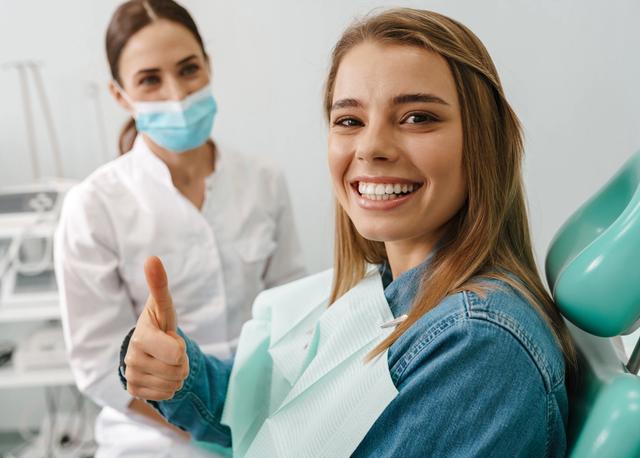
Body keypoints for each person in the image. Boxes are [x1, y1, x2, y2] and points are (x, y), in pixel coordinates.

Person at [120, 8, 576, 457]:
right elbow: (266, 403)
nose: (372, 147)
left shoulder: (477, 346)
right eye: (350, 121)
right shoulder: (381, 289)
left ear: (484, 141)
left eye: (417, 117)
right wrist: (176, 373)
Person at [54, 0, 305, 456]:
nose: (176, 94)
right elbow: (95, 365)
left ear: (208, 66)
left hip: (268, 421)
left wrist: (263, 422)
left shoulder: (263, 181)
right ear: (119, 95)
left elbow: (293, 310)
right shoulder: (93, 206)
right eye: (150, 80)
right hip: (153, 439)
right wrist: (210, 427)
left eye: (189, 70)